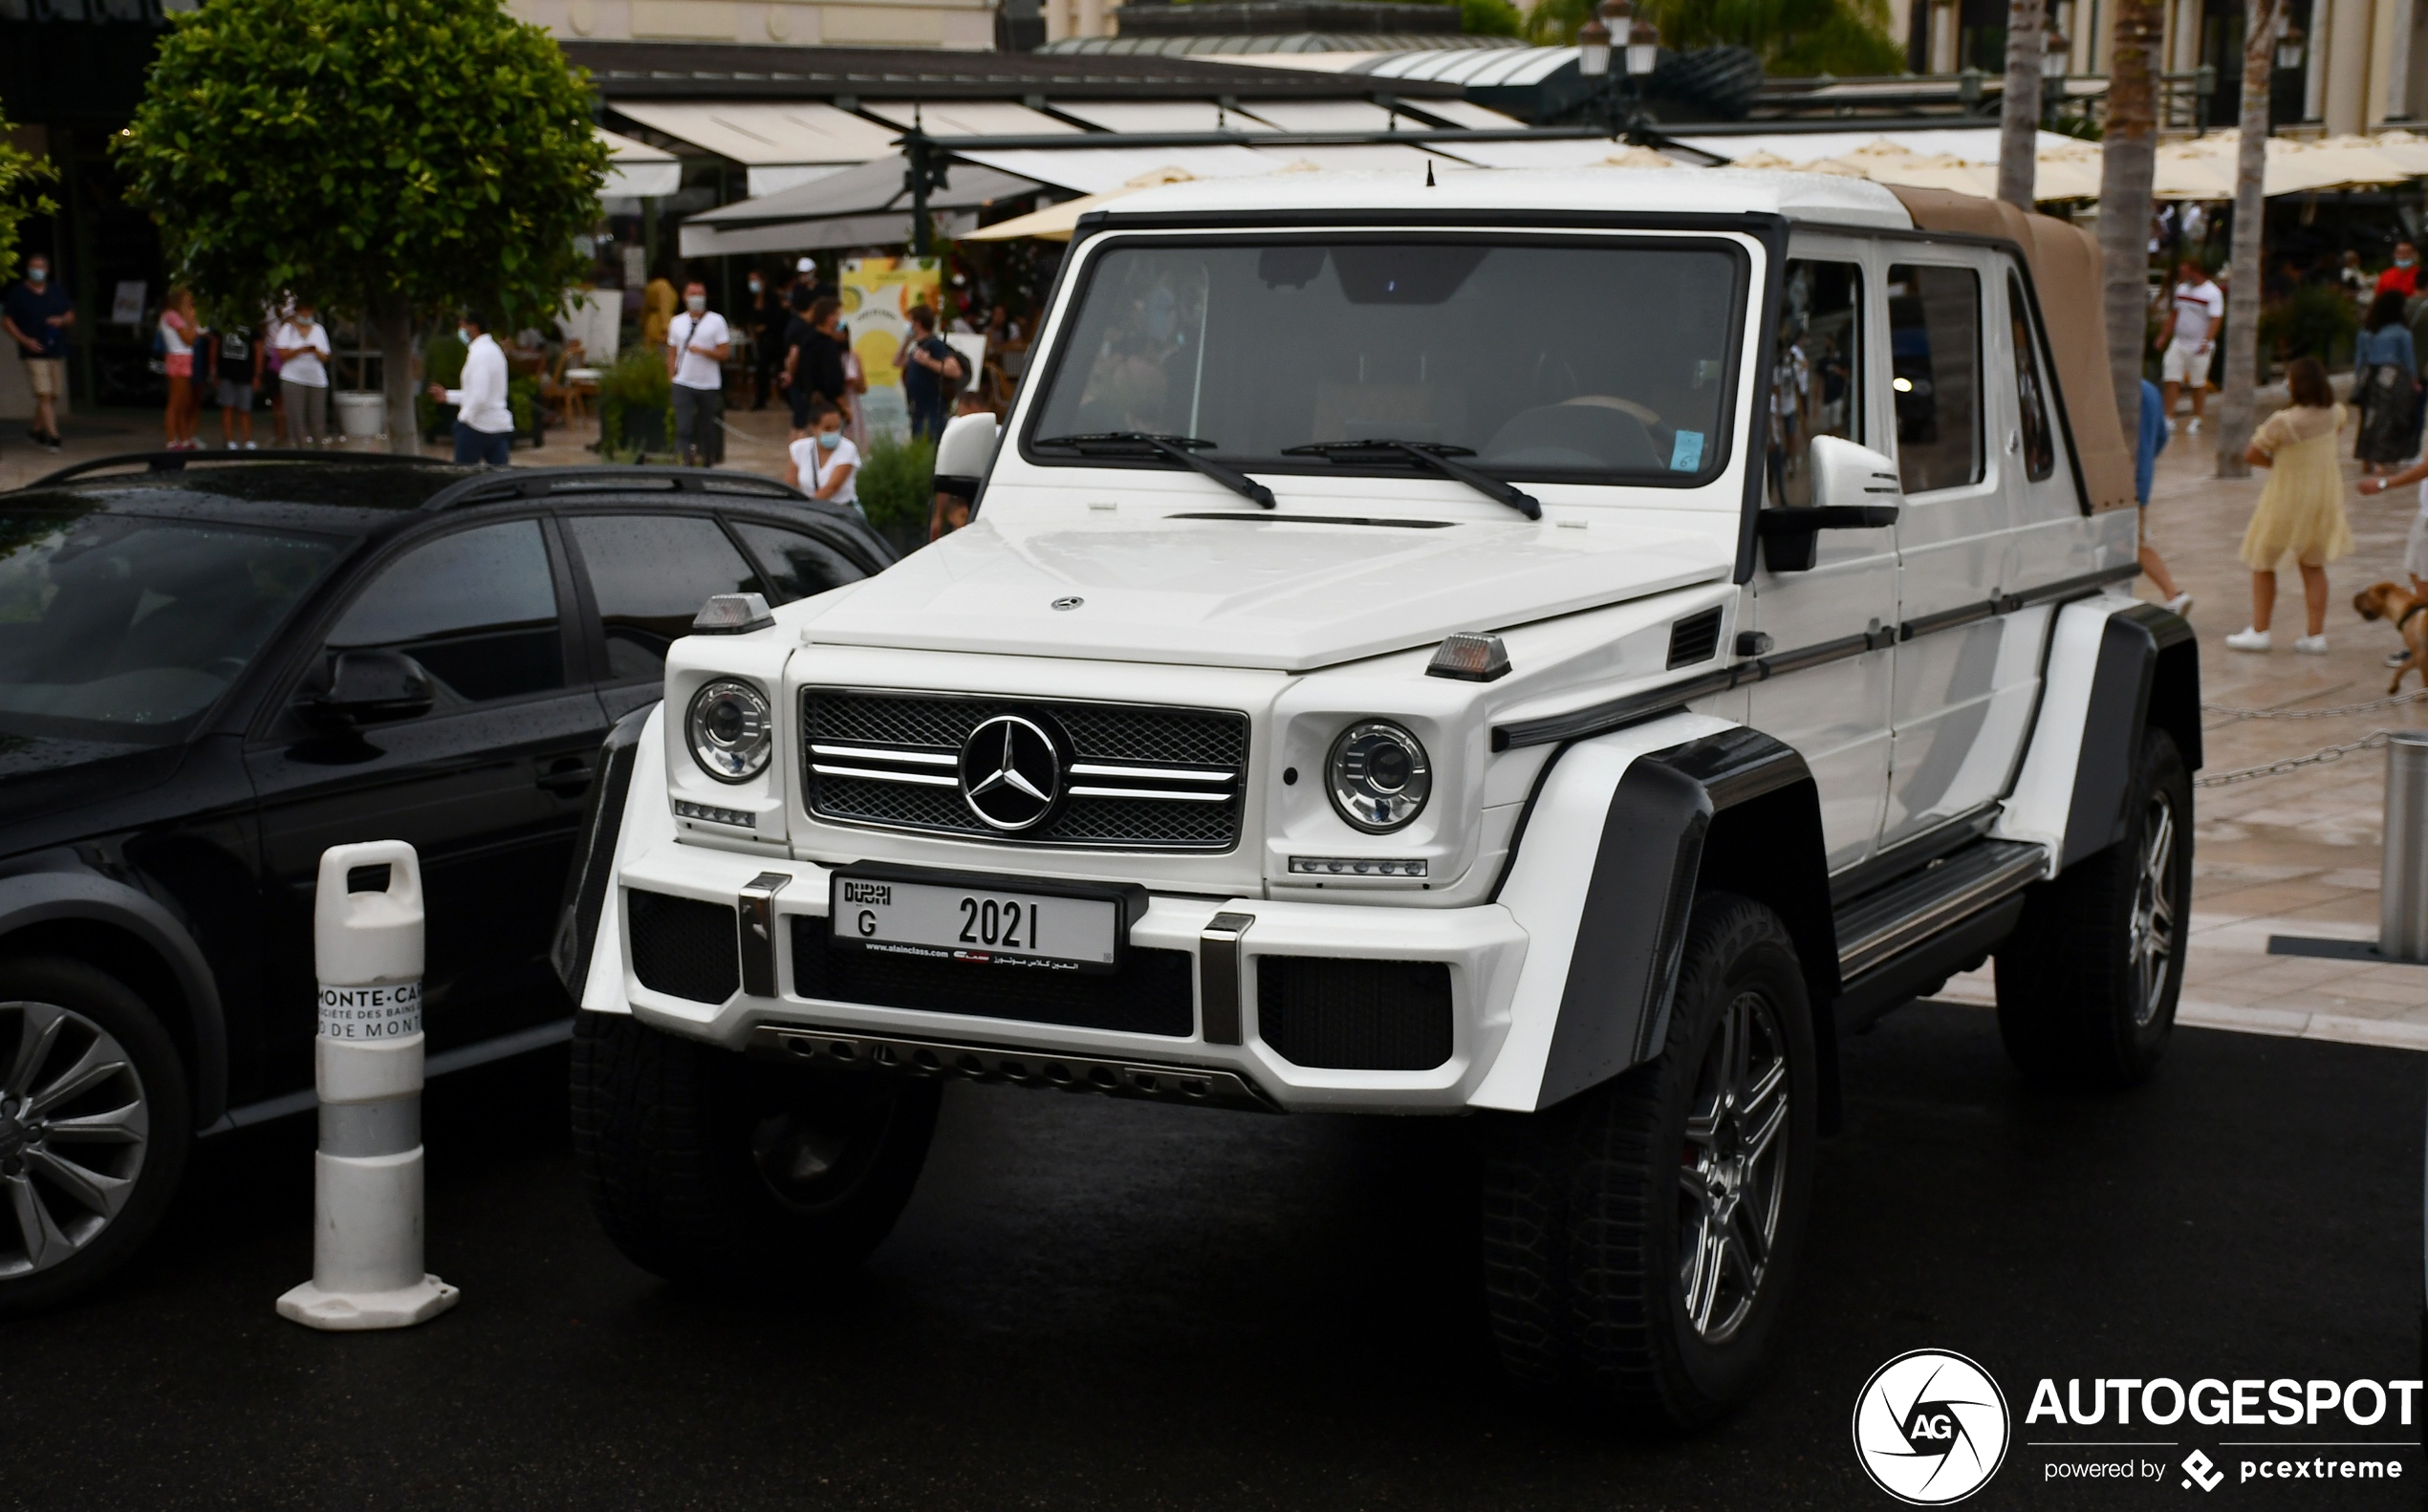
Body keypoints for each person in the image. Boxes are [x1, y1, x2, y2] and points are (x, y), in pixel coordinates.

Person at [2227, 356, 2352, 655]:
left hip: (2287, 497)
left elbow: (2251, 454)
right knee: (2313, 564)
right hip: (2324, 496)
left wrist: (2280, 464)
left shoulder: (2283, 421)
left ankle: (2260, 631)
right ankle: (2315, 635)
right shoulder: (2336, 413)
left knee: (2263, 559)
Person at [2134, 378, 2192, 616]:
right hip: (2141, 478)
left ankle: (2173, 593)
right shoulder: (2149, 389)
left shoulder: (2108, 386)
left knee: (2130, 543)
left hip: (2120, 481)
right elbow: (2161, 436)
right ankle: (2173, 593)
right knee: (2134, 541)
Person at [2, 253, 73, 452]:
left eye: (40, 267)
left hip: (55, 348)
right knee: (44, 393)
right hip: (33, 352)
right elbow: (7, 321)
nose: (37, 270)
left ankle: (35, 430)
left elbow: (70, 314)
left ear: (47, 270)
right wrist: (24, 340)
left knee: (53, 395)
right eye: (33, 266)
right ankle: (53, 436)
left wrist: (62, 321)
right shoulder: (18, 294)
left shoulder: (56, 291)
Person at [426, 308, 512, 466]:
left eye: (463, 325)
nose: (461, 330)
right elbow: (479, 393)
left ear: (473, 327)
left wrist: (463, 419)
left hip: (477, 427)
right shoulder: (494, 351)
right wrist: (448, 396)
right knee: (500, 477)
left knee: (462, 477)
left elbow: (478, 396)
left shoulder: (479, 355)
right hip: (498, 426)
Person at [664, 280, 729, 468]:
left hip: (708, 384)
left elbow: (724, 353)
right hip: (683, 382)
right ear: (685, 297)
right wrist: (671, 377)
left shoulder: (716, 321)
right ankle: (683, 462)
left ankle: (707, 462)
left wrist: (703, 351)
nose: (696, 298)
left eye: (700, 294)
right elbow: (671, 352)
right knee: (683, 427)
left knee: (707, 428)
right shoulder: (676, 322)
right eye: (692, 294)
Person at [2355, 289, 2419, 473]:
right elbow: (2409, 359)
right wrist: (2414, 381)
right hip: (2392, 377)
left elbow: (2360, 359)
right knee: (2388, 419)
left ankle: (2366, 457)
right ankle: (2381, 459)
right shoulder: (2401, 332)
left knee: (2369, 417)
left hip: (2369, 377)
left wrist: (2359, 380)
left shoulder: (2366, 331)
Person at [2157, 260, 2222, 436]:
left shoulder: (2212, 293)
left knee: (2197, 382)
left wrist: (2206, 341)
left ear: (2195, 271)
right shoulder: (2181, 290)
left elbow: (2216, 319)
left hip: (2199, 344)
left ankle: (2197, 417)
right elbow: (2175, 313)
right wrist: (2164, 335)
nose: (2181, 275)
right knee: (2171, 378)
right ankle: (2168, 417)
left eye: (2185, 271)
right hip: (2179, 342)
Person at [781, 293, 847, 440]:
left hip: (810, 397)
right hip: (826, 404)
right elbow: (832, 379)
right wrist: (844, 405)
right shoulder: (826, 345)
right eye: (838, 315)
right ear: (829, 317)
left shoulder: (809, 340)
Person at [896, 303, 963, 442]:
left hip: (933, 414)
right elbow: (897, 362)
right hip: (918, 414)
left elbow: (955, 370)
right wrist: (906, 341)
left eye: (910, 321)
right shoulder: (918, 348)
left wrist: (928, 362)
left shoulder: (934, 345)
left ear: (917, 323)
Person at [785, 400, 860, 513]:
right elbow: (789, 485)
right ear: (813, 428)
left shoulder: (847, 449)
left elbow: (832, 488)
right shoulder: (800, 448)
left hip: (841, 512)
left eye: (837, 427)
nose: (834, 432)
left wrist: (805, 510)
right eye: (827, 428)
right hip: (811, 511)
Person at [273, 304, 332, 446]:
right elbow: (281, 354)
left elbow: (326, 356)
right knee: (296, 419)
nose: (306, 314)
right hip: (293, 378)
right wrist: (299, 350)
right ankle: (300, 451)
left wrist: (315, 351)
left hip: (317, 380)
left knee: (317, 419)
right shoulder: (288, 329)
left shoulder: (319, 330)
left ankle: (319, 452)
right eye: (303, 311)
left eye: (308, 310)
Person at [207, 314, 263, 449]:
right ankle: (229, 440)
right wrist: (213, 369)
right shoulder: (222, 321)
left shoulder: (252, 323)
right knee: (227, 406)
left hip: (246, 373)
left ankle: (247, 440)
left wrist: (257, 374)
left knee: (245, 408)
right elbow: (214, 345)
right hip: (226, 371)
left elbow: (258, 348)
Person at [158, 289, 199, 451]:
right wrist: (193, 323)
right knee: (175, 403)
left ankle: (184, 439)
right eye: (187, 300)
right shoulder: (171, 316)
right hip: (177, 358)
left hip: (185, 358)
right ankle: (171, 441)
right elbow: (188, 339)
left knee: (184, 402)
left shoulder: (176, 317)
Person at [748, 268, 786, 412]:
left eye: (755, 280)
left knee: (780, 369)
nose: (752, 283)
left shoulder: (773, 297)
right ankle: (761, 399)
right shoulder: (752, 299)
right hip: (762, 341)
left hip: (776, 339)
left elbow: (778, 318)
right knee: (761, 369)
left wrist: (765, 327)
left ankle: (785, 397)